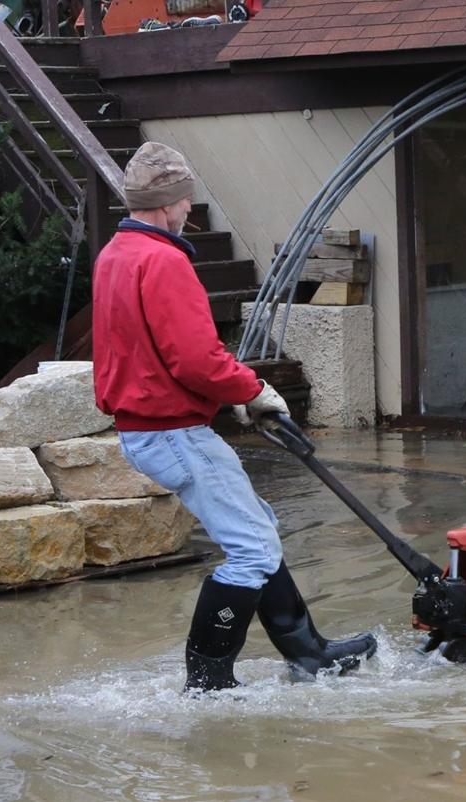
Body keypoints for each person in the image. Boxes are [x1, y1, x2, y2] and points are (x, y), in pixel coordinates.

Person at [91, 142, 378, 692]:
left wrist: (236, 394)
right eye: (185, 202)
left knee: (259, 528)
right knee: (252, 549)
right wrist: (254, 389)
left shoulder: (115, 255)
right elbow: (195, 358)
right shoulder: (164, 259)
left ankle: (309, 652)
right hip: (172, 430)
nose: (189, 212)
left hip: (148, 427)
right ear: (169, 202)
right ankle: (208, 682)